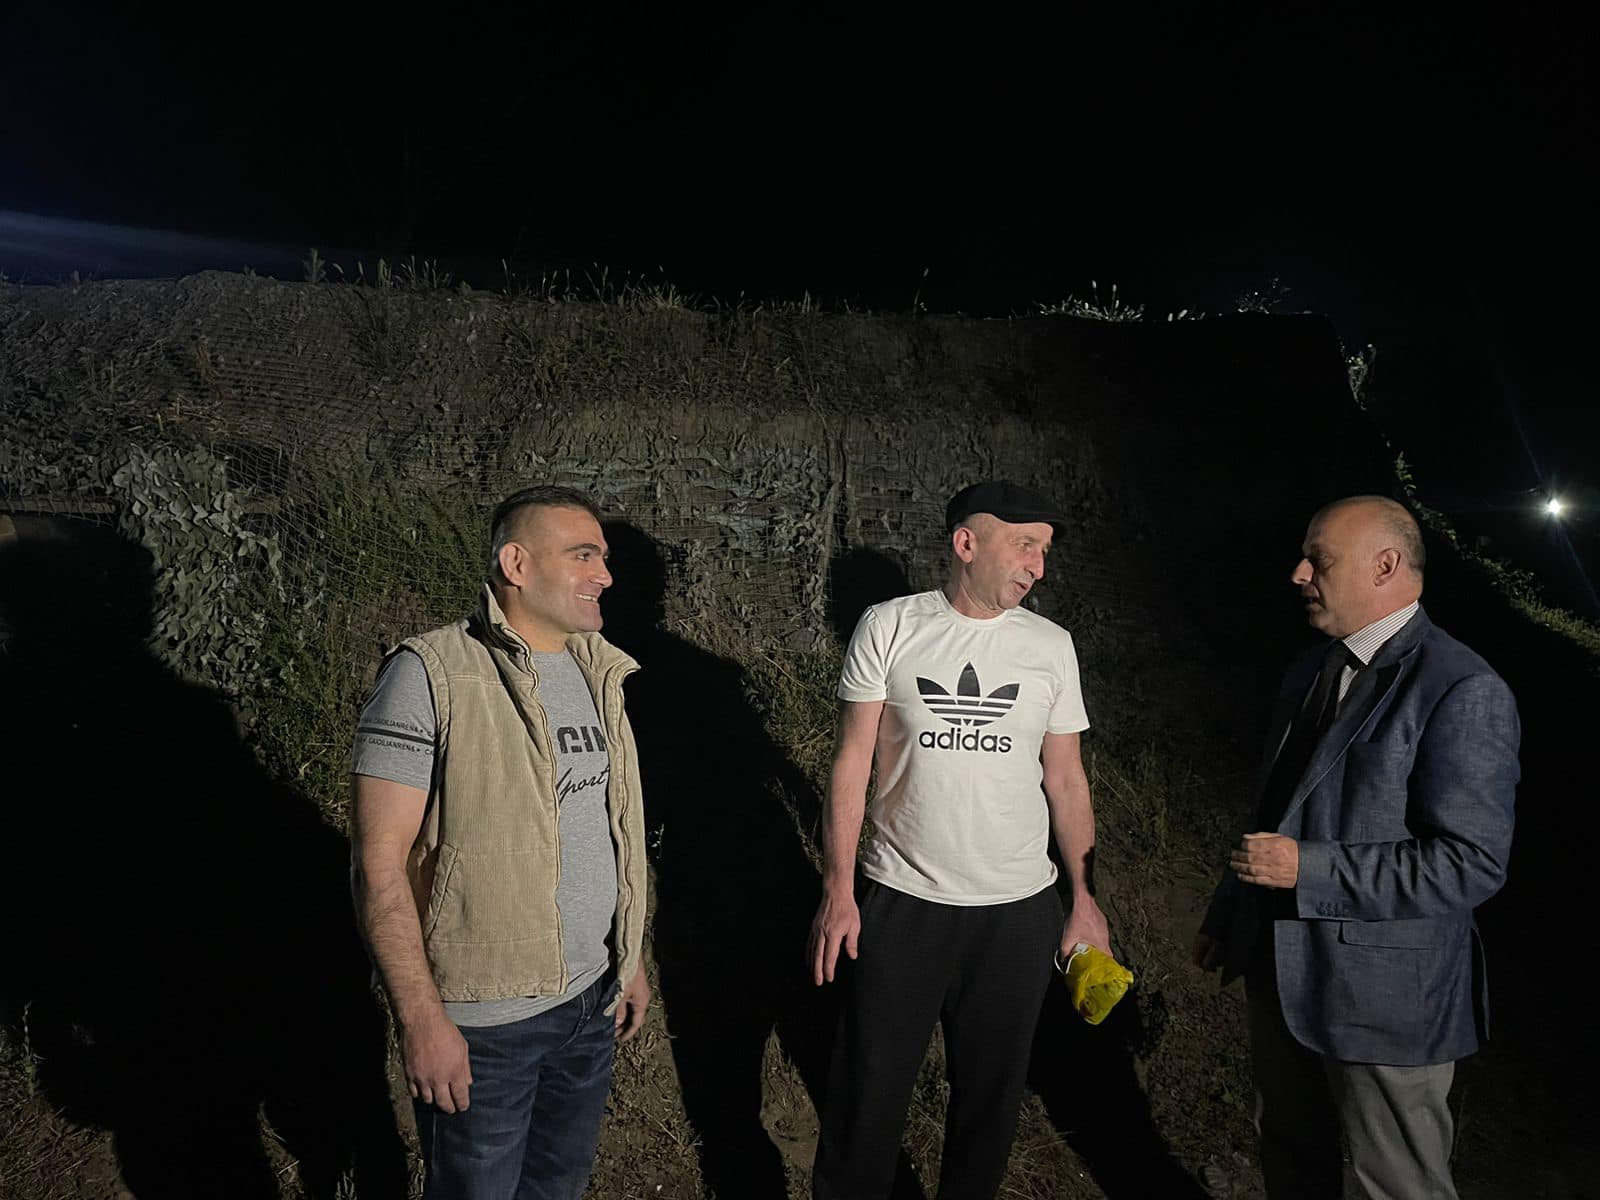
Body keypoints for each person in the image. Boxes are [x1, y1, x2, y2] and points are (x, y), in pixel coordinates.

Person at [1194, 495, 1519, 1200]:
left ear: (1385, 566)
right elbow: (1277, 808)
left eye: (1320, 560)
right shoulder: (1309, 671)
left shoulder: (1462, 688)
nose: (1299, 573)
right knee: (1289, 1159)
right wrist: (1229, 912)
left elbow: (1471, 863)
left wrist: (1307, 869)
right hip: (1281, 970)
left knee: (1395, 1184)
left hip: (1387, 1001)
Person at [808, 480, 1111, 1200]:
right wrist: (838, 887)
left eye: (1045, 550)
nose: (1038, 565)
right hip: (902, 901)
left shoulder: (1050, 646)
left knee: (990, 1102)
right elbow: (852, 759)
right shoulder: (890, 626)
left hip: (1018, 912)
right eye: (1025, 545)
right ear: (966, 543)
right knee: (867, 1094)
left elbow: (1066, 778)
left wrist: (1084, 898)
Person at [349, 485, 651, 1200]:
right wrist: (422, 1019)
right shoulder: (430, 674)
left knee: (558, 1186)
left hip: (591, 1002)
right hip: (487, 1026)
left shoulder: (599, 671)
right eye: (583, 556)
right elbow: (378, 863)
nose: (605, 575)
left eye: (604, 558)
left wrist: (631, 955)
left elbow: (614, 829)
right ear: (517, 564)